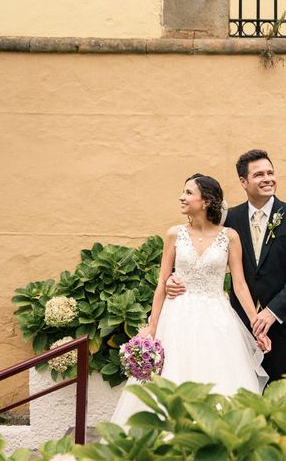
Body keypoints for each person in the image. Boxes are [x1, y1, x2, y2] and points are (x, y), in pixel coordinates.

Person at [110, 174, 270, 427]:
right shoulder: (174, 234)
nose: (181, 197)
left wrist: (256, 324)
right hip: (177, 317)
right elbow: (163, 282)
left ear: (205, 201)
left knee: (219, 376)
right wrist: (152, 326)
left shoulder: (230, 237)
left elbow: (239, 284)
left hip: (217, 319)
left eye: (188, 192)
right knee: (173, 376)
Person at [167, 150, 286, 382]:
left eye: (270, 172)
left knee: (281, 397)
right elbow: (201, 249)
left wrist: (271, 312)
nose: (267, 178)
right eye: (259, 174)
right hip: (235, 327)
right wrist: (172, 279)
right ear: (243, 182)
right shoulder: (229, 219)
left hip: (284, 326)